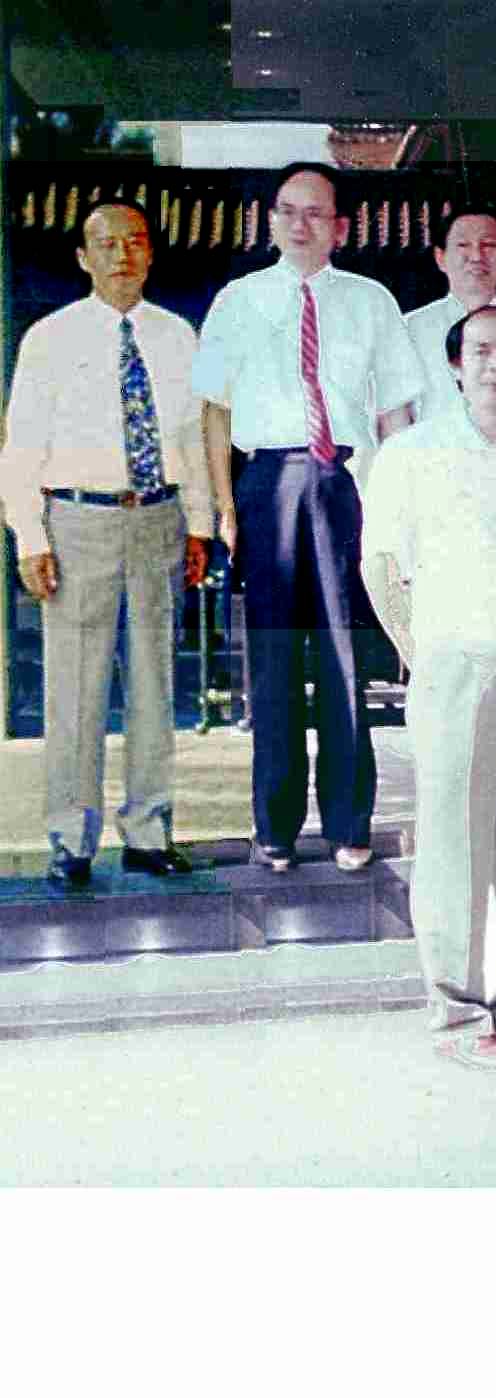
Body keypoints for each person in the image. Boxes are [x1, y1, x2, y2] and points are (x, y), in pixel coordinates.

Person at [192, 161, 422, 874]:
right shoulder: (238, 300)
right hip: (267, 482)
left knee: (345, 658)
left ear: (341, 227)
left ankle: (350, 823)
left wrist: (396, 510)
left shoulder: (371, 302)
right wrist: (226, 507)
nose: (301, 224)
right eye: (288, 211)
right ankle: (276, 828)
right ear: (271, 221)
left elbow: (396, 415)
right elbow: (214, 412)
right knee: (273, 661)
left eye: (316, 212)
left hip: (344, 482)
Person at [360, 305, 496, 1072]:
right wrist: (417, 650)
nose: (495, 364)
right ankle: (455, 1012)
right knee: (455, 844)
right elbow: (382, 563)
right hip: (454, 662)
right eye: (480, 350)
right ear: (453, 363)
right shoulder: (413, 452)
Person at [0, 201, 211, 889]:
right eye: (106, 243)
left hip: (158, 520)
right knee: (76, 687)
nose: (122, 255)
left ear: (151, 253)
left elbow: (191, 439)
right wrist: (29, 536)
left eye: (135, 241)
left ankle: (149, 831)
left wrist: (199, 524)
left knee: (154, 684)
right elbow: (21, 446)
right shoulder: (50, 338)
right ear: (83, 257)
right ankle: (71, 838)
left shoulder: (178, 336)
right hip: (78, 523)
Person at [402, 204, 496, 426]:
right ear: (440, 257)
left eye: (488, 245)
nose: (476, 256)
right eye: (463, 245)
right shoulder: (407, 330)